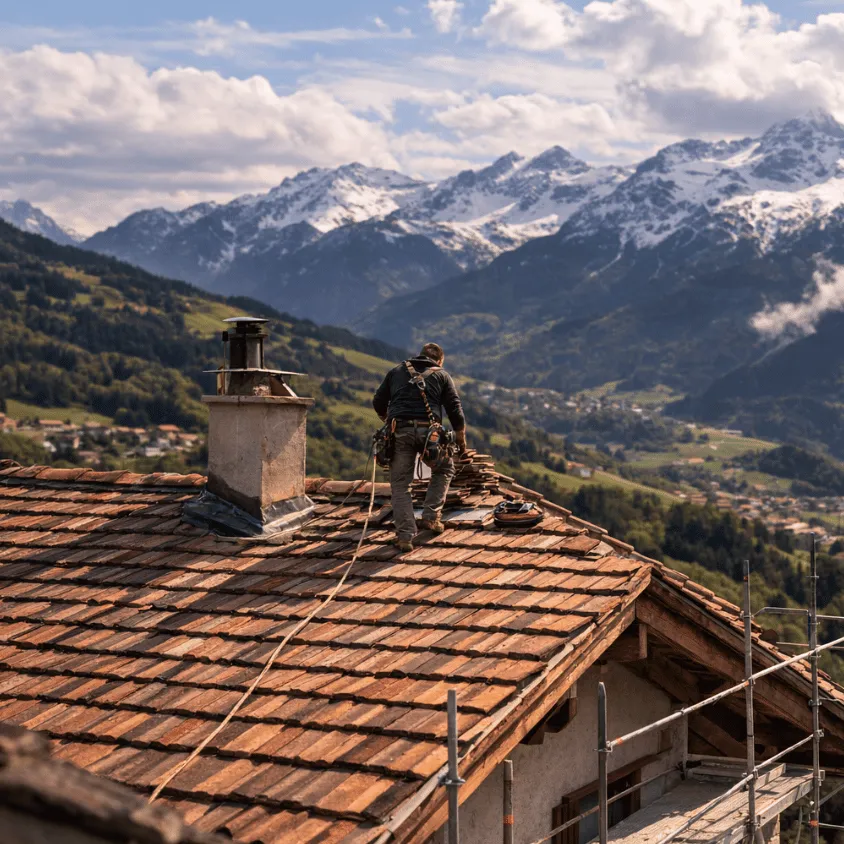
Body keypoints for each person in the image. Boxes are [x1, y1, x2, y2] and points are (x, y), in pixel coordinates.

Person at [372, 342, 467, 552]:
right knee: (444, 468)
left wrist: (389, 420)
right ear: (439, 360)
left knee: (400, 485)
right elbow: (455, 410)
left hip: (399, 433)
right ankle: (431, 518)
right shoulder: (442, 375)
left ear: (420, 355)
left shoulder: (396, 371)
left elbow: (378, 402)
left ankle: (405, 537)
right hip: (429, 436)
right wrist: (461, 442)